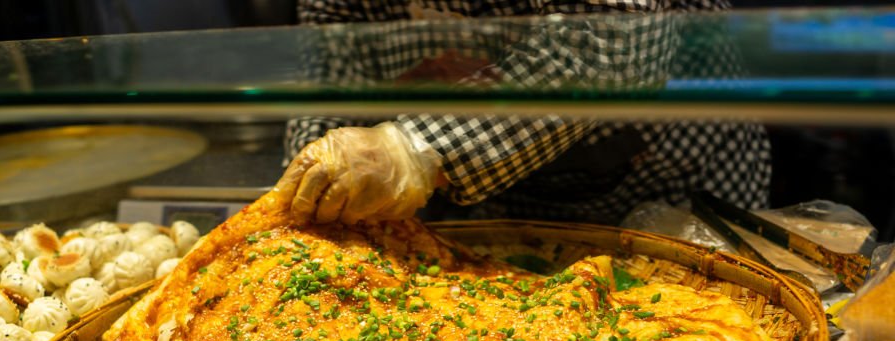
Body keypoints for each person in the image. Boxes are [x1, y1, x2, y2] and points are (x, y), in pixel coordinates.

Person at [274, 1, 770, 226]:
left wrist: (413, 150)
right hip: (466, 209)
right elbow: (329, 51)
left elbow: (611, 37)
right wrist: (316, 177)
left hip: (658, 180)